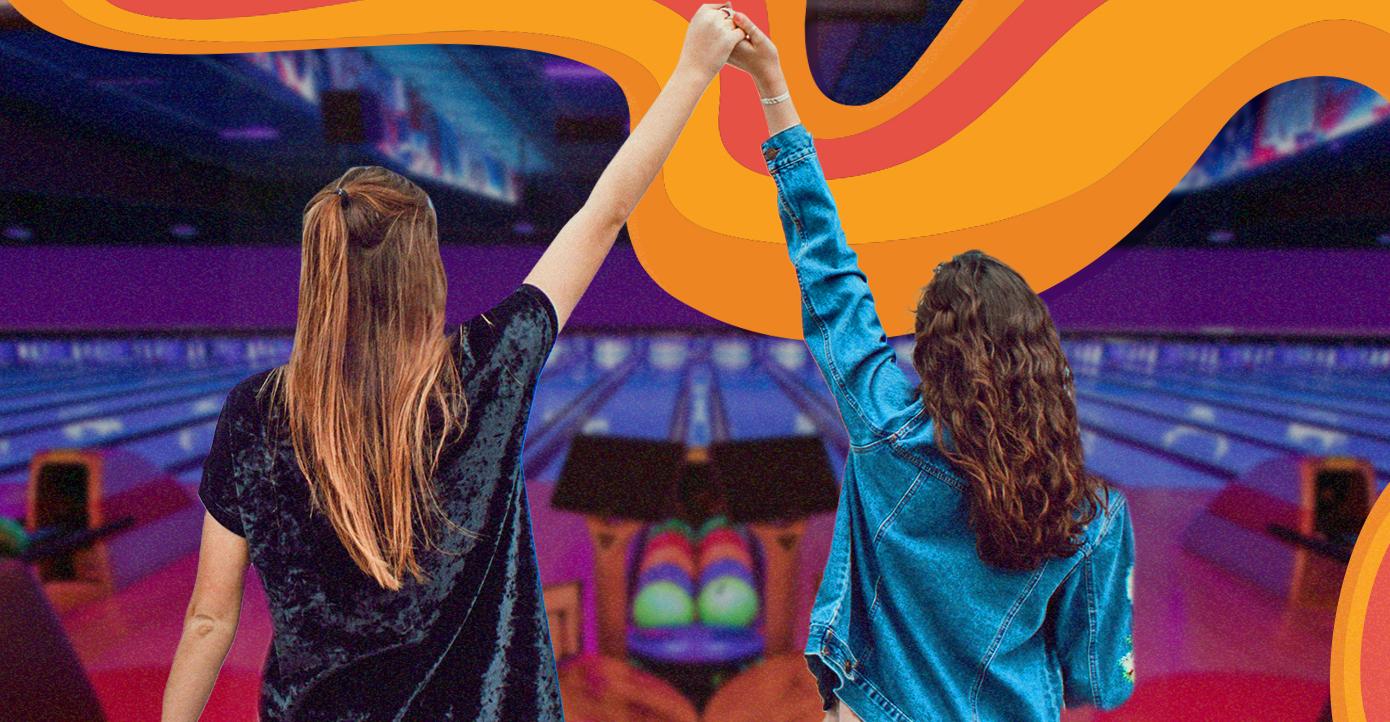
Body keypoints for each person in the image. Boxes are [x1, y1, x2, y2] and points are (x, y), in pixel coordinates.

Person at [160, 6, 749, 720]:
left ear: (318, 275)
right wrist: (693, 71)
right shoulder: (486, 367)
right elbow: (604, 215)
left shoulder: (254, 414)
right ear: (426, 271)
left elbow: (208, 620)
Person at [725, 15, 1136, 722]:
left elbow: (828, 272)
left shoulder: (886, 430)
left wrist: (772, 86)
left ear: (936, 360)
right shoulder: (1090, 517)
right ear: (1044, 367)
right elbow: (1098, 681)